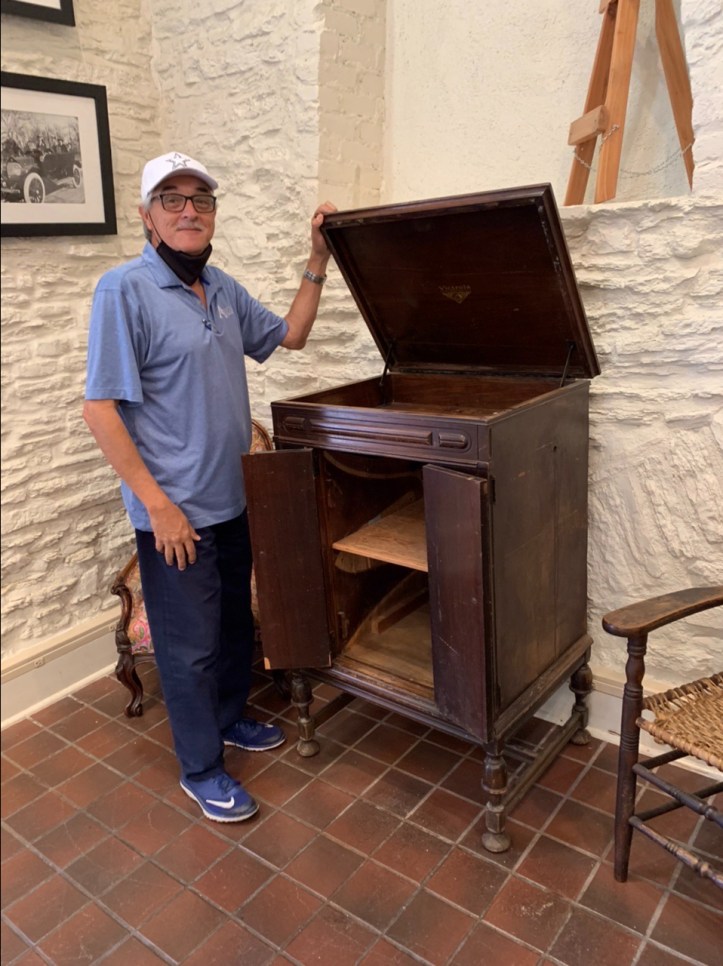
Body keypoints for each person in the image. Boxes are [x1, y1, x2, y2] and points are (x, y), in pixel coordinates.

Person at [83, 150, 335, 823]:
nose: (188, 208)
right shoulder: (124, 291)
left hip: (232, 500)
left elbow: (294, 336)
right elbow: (99, 409)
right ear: (147, 217)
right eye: (171, 198)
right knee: (188, 648)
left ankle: (227, 721)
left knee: (227, 632)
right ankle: (200, 768)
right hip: (176, 514)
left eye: (200, 197)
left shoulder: (219, 288)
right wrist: (158, 506)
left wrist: (318, 258)